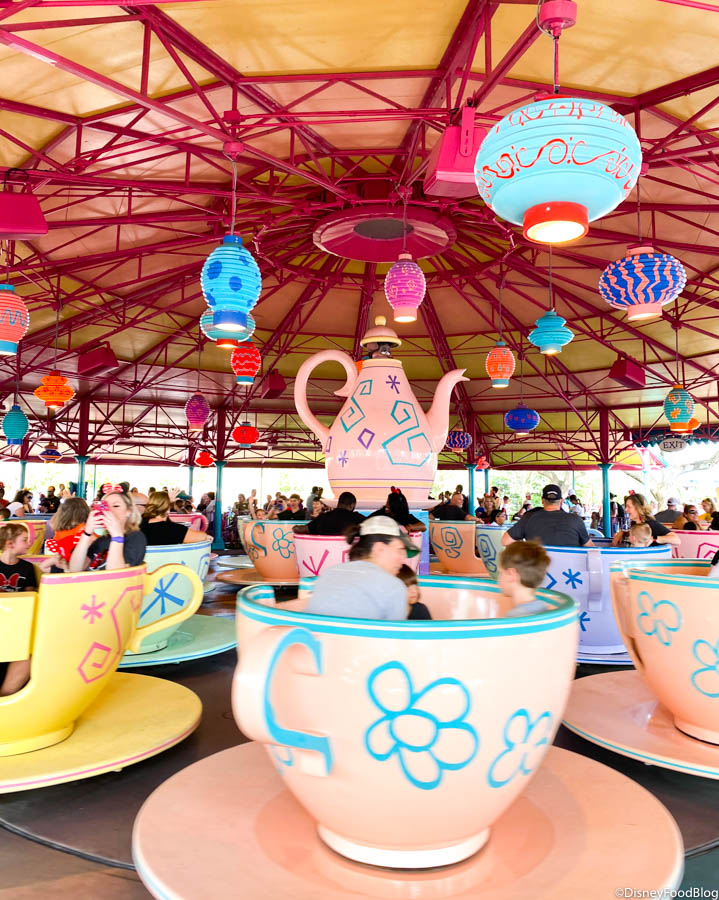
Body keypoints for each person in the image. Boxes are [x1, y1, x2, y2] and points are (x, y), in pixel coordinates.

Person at [305, 516, 418, 619]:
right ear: (380, 549)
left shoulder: (328, 574)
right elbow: (395, 633)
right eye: (400, 550)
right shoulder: (393, 586)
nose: (403, 560)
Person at [69, 486, 147, 571]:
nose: (109, 510)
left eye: (116, 506)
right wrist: (87, 533)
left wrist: (117, 536)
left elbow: (116, 574)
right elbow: (75, 569)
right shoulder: (102, 540)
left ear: (129, 511)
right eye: (105, 506)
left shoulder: (135, 537)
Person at [502, 484, 592, 548]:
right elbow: (591, 548)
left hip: (537, 568)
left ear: (542, 500)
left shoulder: (528, 518)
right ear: (561, 501)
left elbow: (505, 541)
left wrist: (527, 548)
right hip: (569, 569)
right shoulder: (576, 520)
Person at [498, 540, 553, 618]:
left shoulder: (514, 618)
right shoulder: (545, 609)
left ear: (511, 574)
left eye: (501, 572)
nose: (499, 578)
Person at [611, 493, 679, 547]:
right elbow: (639, 534)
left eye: (629, 507)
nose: (626, 510)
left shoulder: (651, 524)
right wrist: (623, 533)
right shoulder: (635, 524)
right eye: (626, 507)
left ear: (638, 508)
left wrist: (653, 538)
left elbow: (676, 540)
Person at [141, 490, 208, 545]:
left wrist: (167, 503)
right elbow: (203, 536)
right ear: (168, 508)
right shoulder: (174, 529)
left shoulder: (140, 524)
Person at [45, 498, 93, 564]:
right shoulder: (85, 528)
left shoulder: (59, 528)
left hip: (59, 559)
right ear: (85, 511)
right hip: (78, 560)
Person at [294, 491, 363, 536]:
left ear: (338, 503)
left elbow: (301, 529)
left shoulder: (323, 517)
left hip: (324, 552)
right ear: (352, 505)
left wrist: (295, 527)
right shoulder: (356, 518)